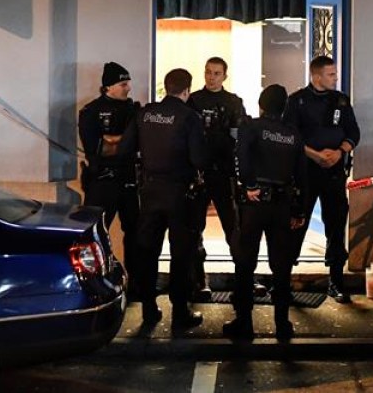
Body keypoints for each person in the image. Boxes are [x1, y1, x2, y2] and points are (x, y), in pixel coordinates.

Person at [119, 68, 208, 330]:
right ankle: (179, 312)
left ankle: (149, 308)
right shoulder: (189, 117)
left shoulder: (144, 113)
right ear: (186, 90)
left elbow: (125, 150)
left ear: (165, 88)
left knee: (148, 250)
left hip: (149, 191)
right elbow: (199, 159)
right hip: (180, 193)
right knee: (181, 253)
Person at [223, 84, 307, 341]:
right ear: (284, 109)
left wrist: (249, 185)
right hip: (282, 205)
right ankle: (282, 323)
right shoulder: (293, 135)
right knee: (281, 266)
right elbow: (301, 174)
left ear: (261, 104)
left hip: (254, 204)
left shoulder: (251, 128)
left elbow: (241, 158)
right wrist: (299, 210)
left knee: (245, 263)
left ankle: (244, 323)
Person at [284, 55, 360, 303]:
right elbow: (291, 136)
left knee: (336, 226)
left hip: (334, 173)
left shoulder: (341, 101)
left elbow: (354, 133)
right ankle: (283, 281)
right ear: (316, 76)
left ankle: (336, 282)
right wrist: (315, 155)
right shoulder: (296, 101)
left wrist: (339, 152)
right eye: (331, 74)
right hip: (305, 172)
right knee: (297, 225)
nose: (335, 78)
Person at [78, 61, 142, 298]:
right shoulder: (91, 111)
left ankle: (136, 285)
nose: (128, 88)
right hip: (102, 182)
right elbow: (97, 148)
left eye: (128, 83)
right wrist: (125, 140)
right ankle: (96, 283)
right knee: (94, 234)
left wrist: (115, 141)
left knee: (134, 232)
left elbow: (137, 144)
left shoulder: (135, 110)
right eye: (123, 84)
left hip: (128, 180)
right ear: (109, 87)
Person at [186, 56, 247, 300]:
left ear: (225, 76)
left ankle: (245, 281)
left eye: (217, 73)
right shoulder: (193, 101)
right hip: (199, 175)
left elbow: (241, 136)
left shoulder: (233, 102)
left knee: (234, 228)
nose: (212, 77)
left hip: (224, 175)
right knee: (195, 229)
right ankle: (198, 281)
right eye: (208, 72)